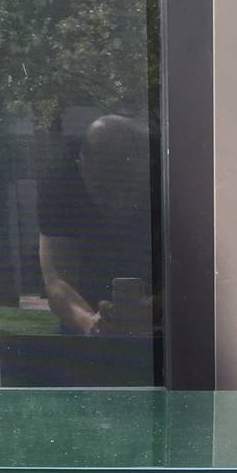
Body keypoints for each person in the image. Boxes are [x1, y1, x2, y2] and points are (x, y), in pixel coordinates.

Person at [37, 115, 160, 337]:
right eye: (102, 189)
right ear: (81, 168)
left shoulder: (174, 174)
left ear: (147, 168)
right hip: (89, 301)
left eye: (129, 189)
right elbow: (57, 282)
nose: (117, 202)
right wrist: (90, 323)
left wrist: (162, 306)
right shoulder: (60, 183)